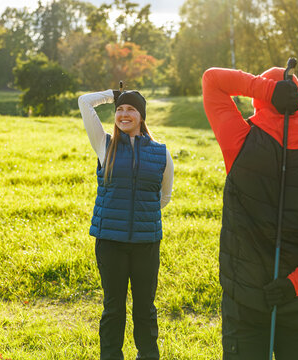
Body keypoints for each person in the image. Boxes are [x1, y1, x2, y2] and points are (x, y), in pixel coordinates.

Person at [202, 67, 298, 359]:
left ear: (261, 100)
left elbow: (213, 80)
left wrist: (266, 90)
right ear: (297, 100)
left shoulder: (239, 140)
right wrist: (294, 284)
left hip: (244, 300)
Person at [78, 88, 174, 360]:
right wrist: (112, 94)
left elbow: (164, 197)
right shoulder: (104, 144)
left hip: (146, 243)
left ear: (141, 116)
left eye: (131, 109)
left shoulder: (160, 153)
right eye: (120, 109)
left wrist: (139, 217)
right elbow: (85, 102)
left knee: (145, 308)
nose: (123, 114)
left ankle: (148, 356)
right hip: (110, 242)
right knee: (113, 307)